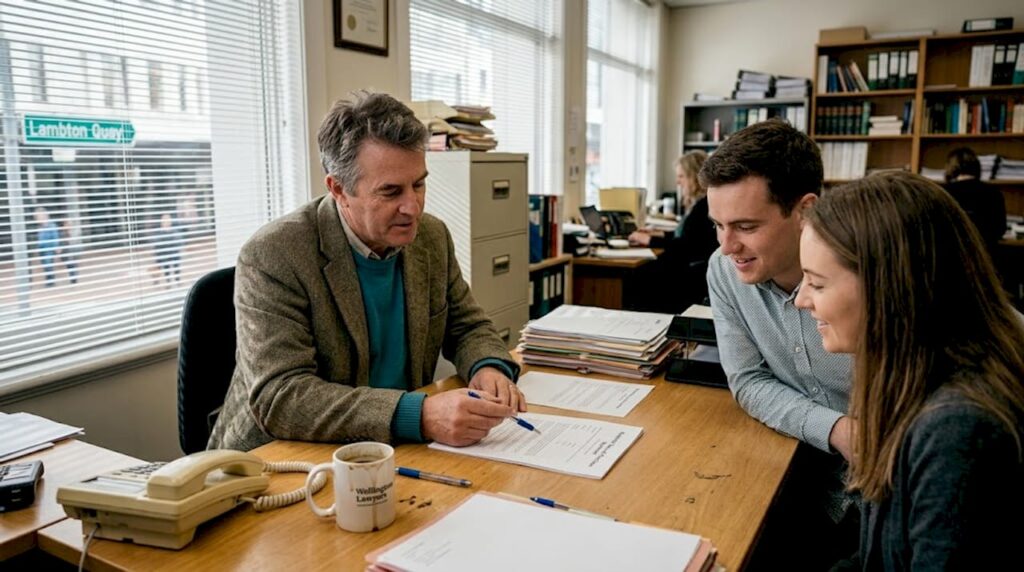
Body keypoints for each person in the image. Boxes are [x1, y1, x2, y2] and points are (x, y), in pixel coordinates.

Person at [209, 92, 523, 452]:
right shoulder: (274, 254)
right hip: (281, 456)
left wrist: (488, 367)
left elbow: (467, 326)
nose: (413, 207)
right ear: (339, 189)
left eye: (419, 184)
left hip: (394, 447)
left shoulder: (431, 237)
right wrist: (418, 414)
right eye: (390, 192)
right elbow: (281, 396)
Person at [796, 171, 1024, 570]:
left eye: (816, 284)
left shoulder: (958, 430)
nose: (801, 300)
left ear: (886, 288)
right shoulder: (905, 378)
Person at [700, 119, 856, 567]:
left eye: (745, 226)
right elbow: (748, 381)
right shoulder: (725, 271)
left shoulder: (867, 267)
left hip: (890, 493)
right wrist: (838, 430)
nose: (727, 246)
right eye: (718, 225)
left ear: (805, 211)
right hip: (801, 477)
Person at [628, 151, 718, 312]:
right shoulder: (701, 203)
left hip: (690, 274)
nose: (677, 182)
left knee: (640, 274)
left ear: (694, 177)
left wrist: (649, 240)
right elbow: (690, 236)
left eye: (681, 176)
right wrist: (659, 233)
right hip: (693, 268)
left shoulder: (703, 207)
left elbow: (686, 246)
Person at [943, 147, 1006, 254]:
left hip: (951, 254)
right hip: (985, 255)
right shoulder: (994, 193)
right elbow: (1000, 229)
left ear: (951, 168)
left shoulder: (944, 192)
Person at [152, 212, 184, 285]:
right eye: (164, 220)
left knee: (176, 266)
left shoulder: (174, 231)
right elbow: (156, 245)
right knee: (166, 268)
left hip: (174, 253)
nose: (167, 221)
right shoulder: (159, 232)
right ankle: (168, 281)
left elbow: (179, 242)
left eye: (168, 219)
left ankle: (177, 280)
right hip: (164, 254)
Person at [34, 207, 59, 288]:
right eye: (37, 217)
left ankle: (50, 281)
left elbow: (55, 236)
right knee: (45, 264)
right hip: (42, 249)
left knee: (48, 263)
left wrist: (56, 246)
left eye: (38, 216)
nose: (37, 218)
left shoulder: (51, 225)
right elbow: (39, 238)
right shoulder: (40, 226)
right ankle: (49, 279)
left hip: (49, 248)